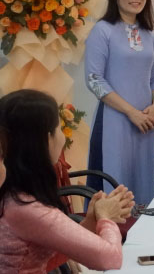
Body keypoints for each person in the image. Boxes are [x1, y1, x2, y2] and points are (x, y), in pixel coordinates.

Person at [0, 89, 135, 272]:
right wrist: (106, 218)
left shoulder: (15, 197)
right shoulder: (25, 207)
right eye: (59, 129)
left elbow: (49, 253)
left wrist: (91, 222)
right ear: (47, 140)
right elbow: (110, 259)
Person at [85, 0, 154, 206]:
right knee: (113, 185)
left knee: (144, 183)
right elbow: (93, 79)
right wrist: (131, 112)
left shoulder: (150, 35)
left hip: (145, 125)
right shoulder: (102, 31)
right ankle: (111, 239)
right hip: (114, 122)